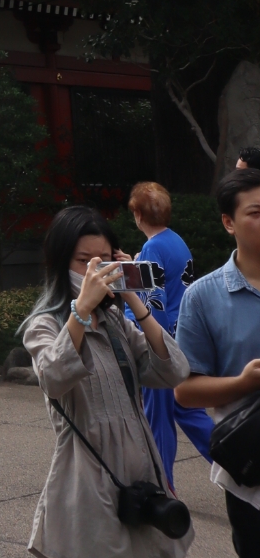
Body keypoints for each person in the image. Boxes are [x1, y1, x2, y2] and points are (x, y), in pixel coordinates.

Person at [21, 204, 192, 557]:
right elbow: (53, 378)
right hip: (88, 474)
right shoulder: (45, 326)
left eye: (103, 260)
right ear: (60, 262)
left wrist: (131, 293)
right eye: (84, 261)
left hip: (141, 468)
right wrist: (80, 310)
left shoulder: (115, 322)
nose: (95, 271)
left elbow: (173, 370)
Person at [176, 167, 260, 556]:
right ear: (229, 222)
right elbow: (185, 391)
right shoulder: (203, 297)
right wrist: (243, 383)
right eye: (257, 213)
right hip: (251, 469)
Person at [128, 180, 213, 488]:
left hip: (162, 341)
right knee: (187, 410)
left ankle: (163, 484)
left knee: (158, 417)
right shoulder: (175, 241)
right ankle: (235, 459)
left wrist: (147, 338)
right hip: (183, 334)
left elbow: (153, 302)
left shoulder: (152, 247)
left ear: (138, 214)